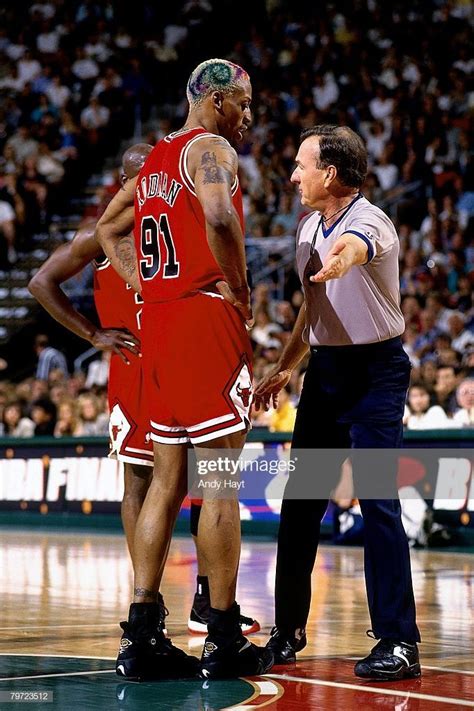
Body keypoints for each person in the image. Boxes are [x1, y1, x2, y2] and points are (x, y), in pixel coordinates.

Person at [29, 141, 259, 659]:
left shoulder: (156, 214)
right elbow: (41, 280)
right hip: (159, 351)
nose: (141, 186)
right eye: (135, 178)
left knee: (174, 482)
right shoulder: (121, 224)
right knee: (183, 480)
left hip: (160, 348)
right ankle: (192, 618)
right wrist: (93, 334)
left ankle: (156, 614)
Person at [97, 58, 273, 681]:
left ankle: (141, 635)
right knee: (221, 478)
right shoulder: (210, 148)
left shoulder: (154, 160)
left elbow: (106, 228)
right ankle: (223, 635)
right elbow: (222, 217)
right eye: (244, 102)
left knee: (165, 479)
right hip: (203, 317)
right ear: (218, 100)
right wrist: (242, 289)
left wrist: (141, 282)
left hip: (159, 323)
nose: (249, 114)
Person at [254, 125, 421, 681]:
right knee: (300, 504)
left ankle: (399, 642)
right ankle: (288, 631)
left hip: (376, 372)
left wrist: (342, 260)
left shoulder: (371, 220)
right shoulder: (306, 228)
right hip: (324, 372)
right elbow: (313, 306)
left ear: (330, 174)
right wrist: (287, 365)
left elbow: (354, 250)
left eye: (302, 165)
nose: (294, 174)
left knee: (377, 503)